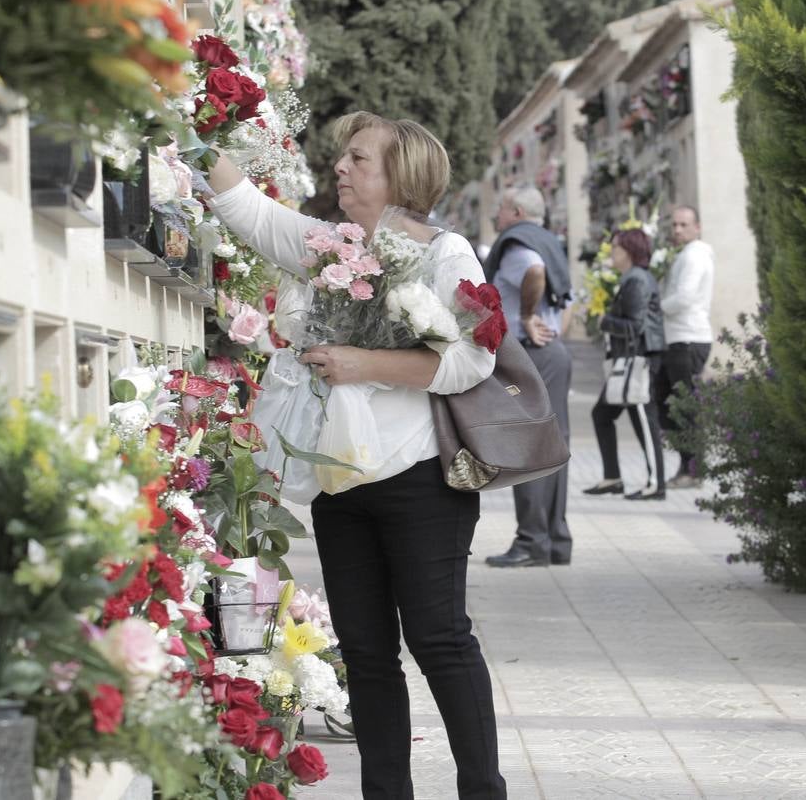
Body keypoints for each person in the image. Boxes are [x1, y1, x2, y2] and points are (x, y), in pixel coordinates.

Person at [206, 112, 508, 799]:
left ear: (402, 176)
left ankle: (484, 792)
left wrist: (361, 361)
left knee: (440, 641)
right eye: (343, 158)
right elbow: (250, 212)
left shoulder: (445, 253)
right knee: (368, 659)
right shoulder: (327, 246)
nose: (340, 168)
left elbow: (473, 359)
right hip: (341, 485)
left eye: (359, 159)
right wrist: (191, 134)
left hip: (421, 479)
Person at [480, 185, 574, 568]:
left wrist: (526, 318)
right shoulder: (551, 241)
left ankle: (531, 541)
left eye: (500, 209)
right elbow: (570, 299)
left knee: (529, 448)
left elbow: (533, 273)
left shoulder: (518, 242)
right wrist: (550, 328)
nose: (497, 217)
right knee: (553, 448)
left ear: (516, 211)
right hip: (553, 353)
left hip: (530, 353)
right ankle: (554, 541)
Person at [583, 228, 667, 501]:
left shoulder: (637, 281)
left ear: (630, 251)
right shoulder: (631, 279)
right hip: (630, 361)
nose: (613, 253)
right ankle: (613, 478)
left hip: (640, 360)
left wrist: (605, 321)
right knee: (603, 414)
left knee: (644, 419)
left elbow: (635, 326)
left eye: (617, 248)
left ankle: (656, 484)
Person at [656, 205, 715, 488]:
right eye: (675, 225)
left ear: (698, 226)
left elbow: (685, 297)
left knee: (684, 407)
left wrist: (655, 309)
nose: (678, 230)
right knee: (670, 405)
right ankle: (687, 467)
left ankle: (693, 470)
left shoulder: (695, 255)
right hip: (677, 338)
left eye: (684, 224)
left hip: (688, 338)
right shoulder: (684, 255)